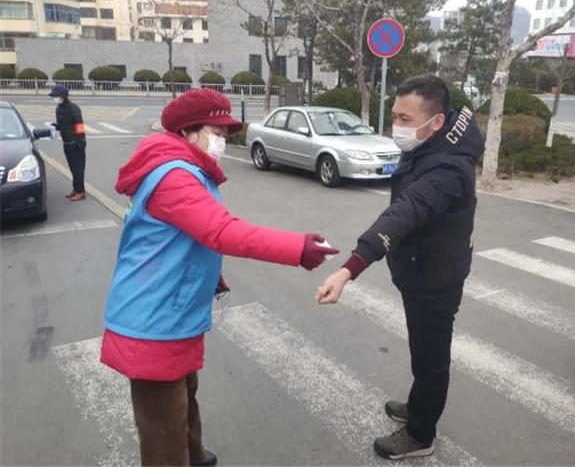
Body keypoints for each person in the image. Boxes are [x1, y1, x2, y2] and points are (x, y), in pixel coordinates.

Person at [100, 89, 339, 466]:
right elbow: (222, 232)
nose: (223, 142)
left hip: (170, 312)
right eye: (218, 132)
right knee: (163, 424)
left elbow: (183, 241)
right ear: (187, 132)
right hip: (152, 321)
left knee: (182, 397)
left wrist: (209, 276)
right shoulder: (174, 176)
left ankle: (192, 455)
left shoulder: (183, 168)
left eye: (227, 134)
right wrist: (296, 248)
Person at [316, 75, 485, 461]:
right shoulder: (429, 147)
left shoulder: (447, 169)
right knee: (421, 349)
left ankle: (421, 433)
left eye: (406, 119)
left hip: (435, 278)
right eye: (395, 115)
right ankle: (418, 405)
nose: (398, 126)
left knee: (430, 357)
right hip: (419, 268)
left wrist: (349, 269)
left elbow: (405, 214)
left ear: (436, 121)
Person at [49, 84, 87, 201]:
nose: (55, 98)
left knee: (78, 169)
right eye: (53, 96)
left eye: (56, 96)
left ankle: (81, 192)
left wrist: (80, 141)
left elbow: (79, 125)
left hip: (75, 143)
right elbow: (63, 125)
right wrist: (55, 126)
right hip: (66, 143)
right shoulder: (59, 109)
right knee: (72, 169)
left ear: (64, 96)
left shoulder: (73, 108)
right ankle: (76, 189)